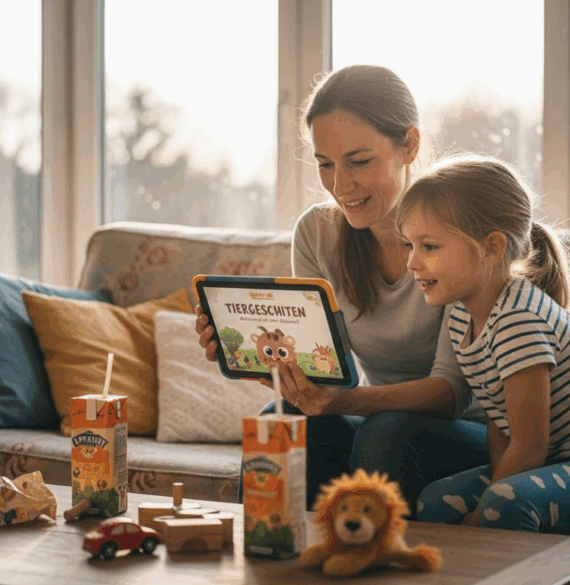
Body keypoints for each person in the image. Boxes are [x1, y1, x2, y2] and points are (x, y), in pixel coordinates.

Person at [193, 65, 489, 514]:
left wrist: (347, 400)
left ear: (408, 146)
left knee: (387, 432)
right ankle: (263, 566)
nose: (339, 186)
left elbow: (452, 391)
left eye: (359, 161)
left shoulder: (454, 235)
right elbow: (325, 366)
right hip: (375, 413)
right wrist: (261, 362)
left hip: (472, 426)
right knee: (281, 421)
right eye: (325, 164)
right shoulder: (316, 233)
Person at [395, 154, 570, 533]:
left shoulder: (518, 319)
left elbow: (531, 445)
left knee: (503, 504)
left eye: (429, 247)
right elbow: (497, 417)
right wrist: (491, 487)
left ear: (491, 247)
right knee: (434, 501)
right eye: (409, 246)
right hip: (563, 459)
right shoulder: (460, 318)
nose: (412, 262)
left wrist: (483, 512)